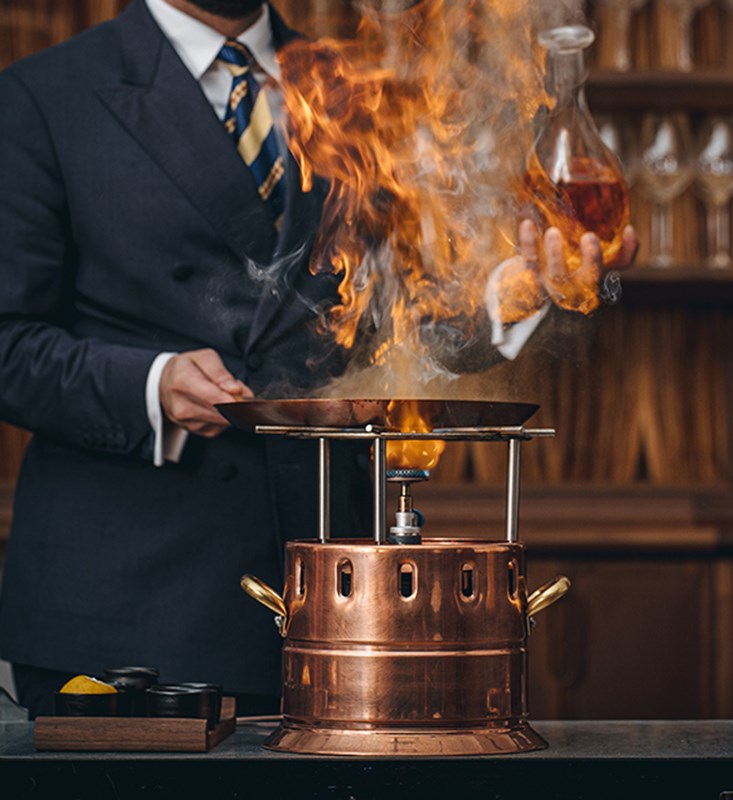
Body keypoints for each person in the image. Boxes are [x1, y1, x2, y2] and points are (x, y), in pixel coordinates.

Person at [0, 0, 637, 718]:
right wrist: (151, 385)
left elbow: (402, 323)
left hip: (337, 600)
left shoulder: (358, 90)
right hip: (128, 602)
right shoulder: (44, 95)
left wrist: (509, 295)